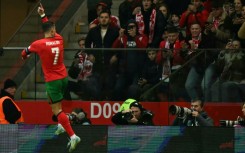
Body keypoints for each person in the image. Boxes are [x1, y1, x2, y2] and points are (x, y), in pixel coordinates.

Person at [21, 4, 80, 152]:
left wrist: (25, 56)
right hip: (63, 78)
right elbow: (49, 28)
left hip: (52, 80)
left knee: (56, 110)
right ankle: (61, 125)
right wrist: (43, 15)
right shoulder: (59, 39)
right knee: (55, 102)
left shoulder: (38, 44)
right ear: (53, 30)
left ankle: (73, 136)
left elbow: (24, 52)